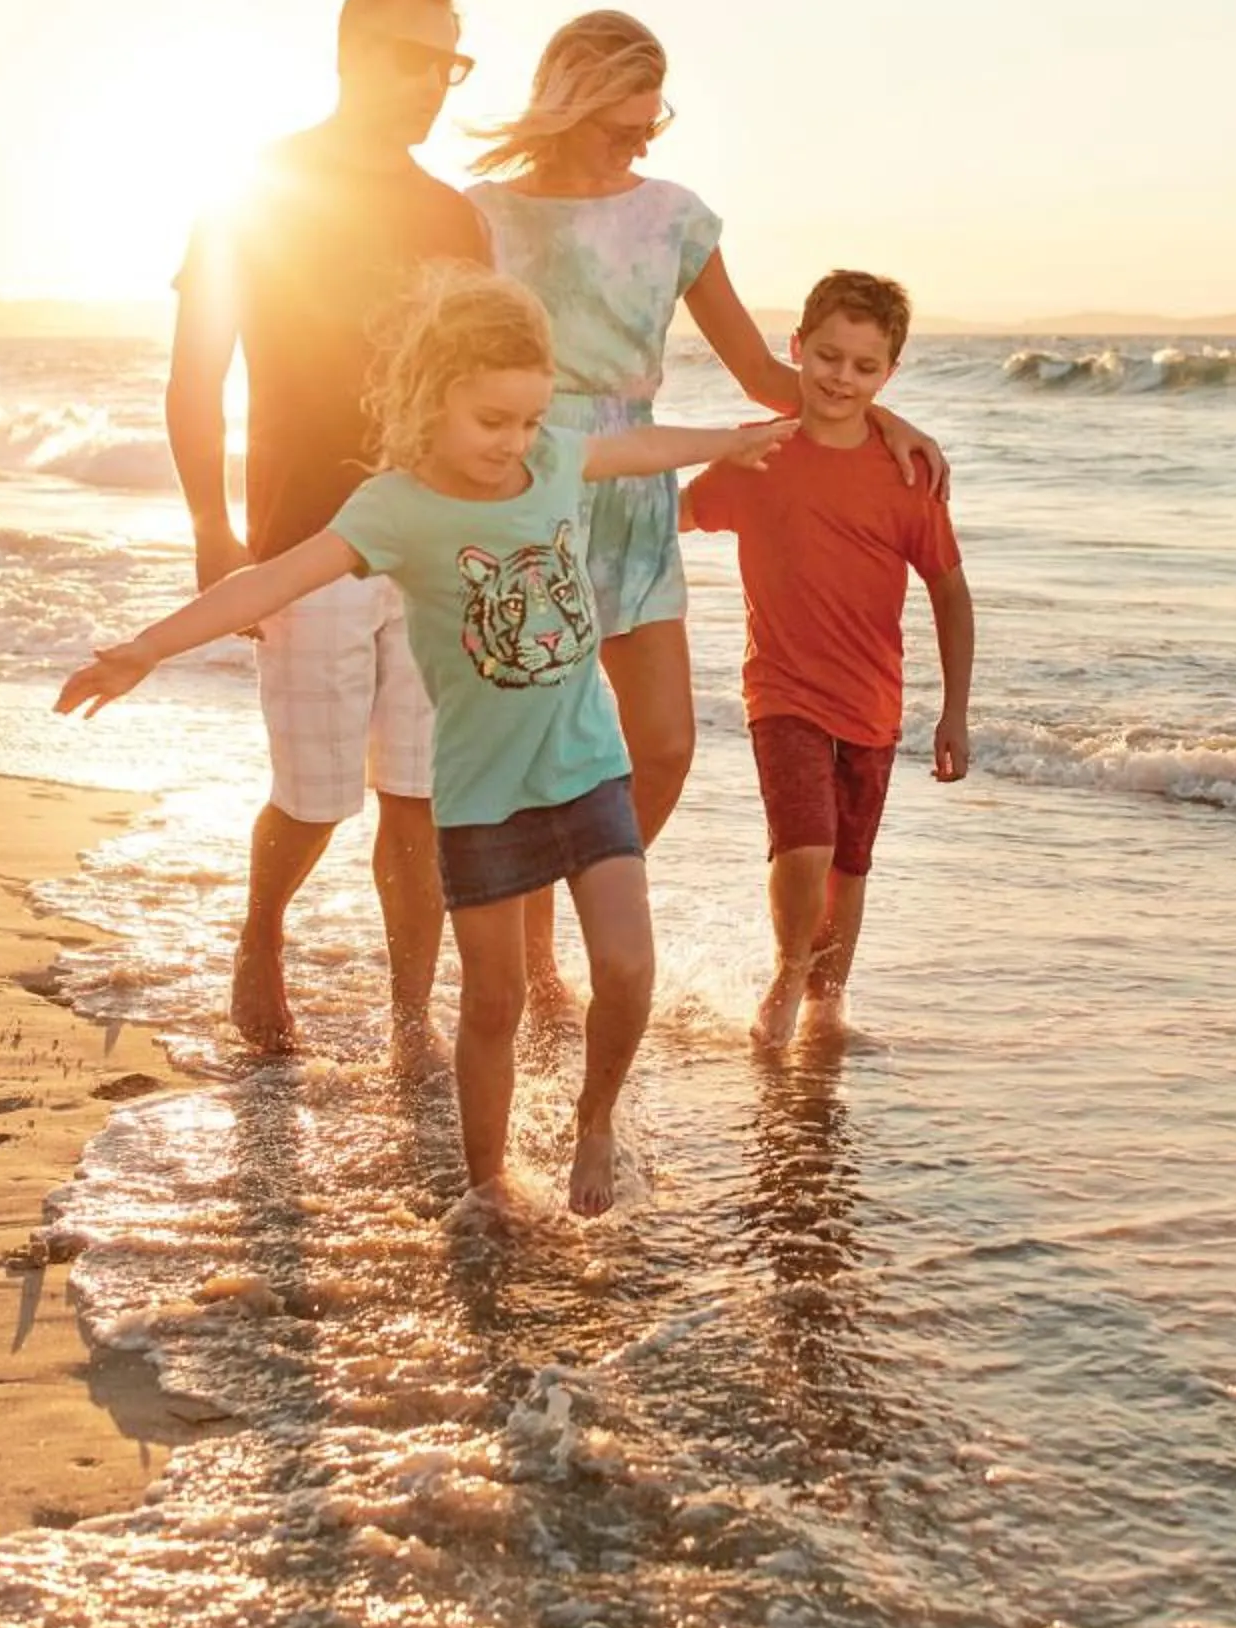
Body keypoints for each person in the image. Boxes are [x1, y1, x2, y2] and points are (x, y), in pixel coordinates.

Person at [63, 266, 796, 1216]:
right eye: (494, 420)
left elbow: (643, 445)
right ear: (431, 397)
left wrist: (739, 443)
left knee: (625, 966)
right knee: (494, 1004)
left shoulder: (556, 461)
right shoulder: (395, 509)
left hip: (586, 765)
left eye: (530, 419)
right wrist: (146, 649)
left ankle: (595, 1119)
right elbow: (272, 582)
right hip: (483, 792)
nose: (516, 442)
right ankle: (488, 1184)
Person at [461, 11, 946, 1014]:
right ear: (577, 100)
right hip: (528, 482)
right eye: (626, 119)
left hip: (635, 492)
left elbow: (767, 370)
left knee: (666, 742)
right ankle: (541, 961)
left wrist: (880, 411)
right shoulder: (486, 218)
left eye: (654, 118)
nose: (645, 138)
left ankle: (574, 883)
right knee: (534, 741)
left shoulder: (674, 217)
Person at [164, 0, 489, 1054]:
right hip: (307, 535)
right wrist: (213, 525)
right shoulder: (259, 188)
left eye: (452, 58)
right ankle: (261, 934)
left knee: (418, 794)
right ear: (351, 53)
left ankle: (410, 1016)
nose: (436, 79)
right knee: (312, 798)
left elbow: (483, 387)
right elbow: (197, 371)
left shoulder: (457, 218)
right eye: (414, 55)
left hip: (438, 545)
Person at [682, 271, 974, 1048]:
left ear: (889, 376)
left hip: (873, 701)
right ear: (797, 349)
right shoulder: (759, 456)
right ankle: (786, 974)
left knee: (850, 864)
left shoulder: (908, 476)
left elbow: (949, 590)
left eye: (864, 366)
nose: (842, 378)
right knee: (804, 844)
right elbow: (666, 519)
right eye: (828, 357)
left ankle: (826, 1002)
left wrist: (955, 711)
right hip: (780, 690)